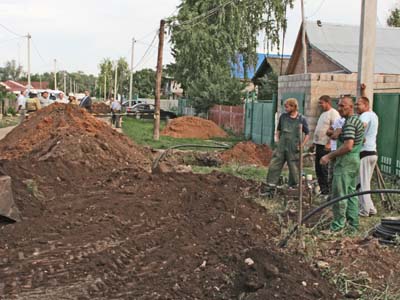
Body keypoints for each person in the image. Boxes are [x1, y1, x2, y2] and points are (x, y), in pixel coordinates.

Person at [320, 96, 364, 232]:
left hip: (346, 162)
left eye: (342, 106)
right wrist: (338, 133)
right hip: (354, 161)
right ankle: (353, 226)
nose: (339, 109)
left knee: (339, 194)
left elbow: (348, 146)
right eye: (338, 105)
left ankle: (337, 226)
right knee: (350, 194)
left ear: (351, 107)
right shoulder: (356, 120)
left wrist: (328, 156)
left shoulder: (350, 123)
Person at [264, 98, 310, 190]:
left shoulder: (301, 119)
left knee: (294, 168)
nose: (285, 109)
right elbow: (278, 130)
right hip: (281, 146)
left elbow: (307, 134)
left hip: (293, 147)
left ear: (294, 107)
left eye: (287, 107)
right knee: (274, 165)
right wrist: (277, 140)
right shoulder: (283, 117)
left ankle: (294, 186)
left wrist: (302, 145)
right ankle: (271, 185)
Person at [311, 95, 340, 196]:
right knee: (318, 169)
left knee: (324, 169)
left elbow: (337, 129)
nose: (320, 105)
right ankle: (323, 191)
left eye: (321, 103)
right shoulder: (323, 114)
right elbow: (319, 129)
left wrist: (329, 143)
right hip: (319, 145)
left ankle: (327, 191)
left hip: (326, 146)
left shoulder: (334, 114)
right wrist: (313, 143)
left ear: (328, 102)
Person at [356, 92, 379, 217]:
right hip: (373, 152)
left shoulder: (364, 115)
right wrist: (363, 91)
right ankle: (371, 209)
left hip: (364, 152)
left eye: (358, 104)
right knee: (366, 182)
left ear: (365, 105)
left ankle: (364, 210)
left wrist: (358, 137)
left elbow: (361, 127)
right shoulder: (373, 115)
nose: (356, 107)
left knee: (362, 183)